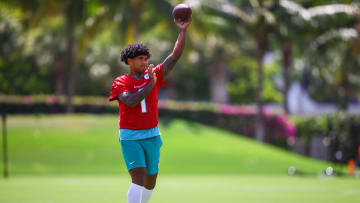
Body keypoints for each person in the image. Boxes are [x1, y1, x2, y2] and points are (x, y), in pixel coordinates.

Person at [109, 16, 192, 203]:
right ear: (129, 61)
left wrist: (182, 30)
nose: (145, 62)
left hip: (152, 135)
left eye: (146, 58)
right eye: (140, 59)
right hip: (130, 136)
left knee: (151, 181)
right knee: (138, 178)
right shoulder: (121, 82)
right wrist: (149, 86)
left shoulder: (153, 74)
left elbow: (175, 56)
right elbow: (130, 101)